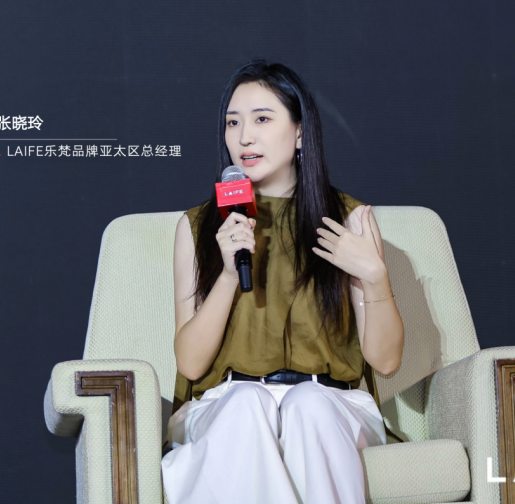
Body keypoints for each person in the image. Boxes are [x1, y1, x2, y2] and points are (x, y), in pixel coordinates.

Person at [161, 59, 405, 504]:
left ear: (299, 133)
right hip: (227, 402)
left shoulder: (347, 220)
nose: (244, 137)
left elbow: (385, 361)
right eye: (232, 122)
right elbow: (191, 366)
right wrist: (229, 273)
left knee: (308, 406)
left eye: (261, 119)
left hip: (330, 402)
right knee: (245, 403)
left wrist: (374, 276)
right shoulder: (198, 227)